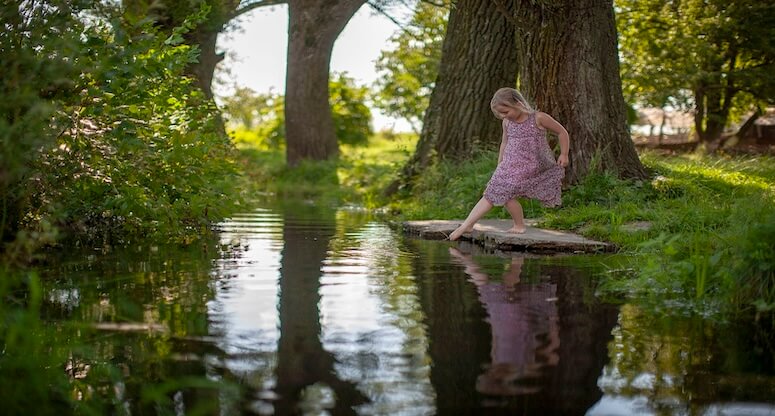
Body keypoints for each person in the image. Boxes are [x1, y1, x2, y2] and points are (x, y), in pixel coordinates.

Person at [448, 88, 569, 241]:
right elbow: (504, 142)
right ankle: (469, 224)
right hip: (509, 164)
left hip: (530, 164)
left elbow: (562, 132)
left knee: (505, 189)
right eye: (500, 114)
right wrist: (500, 164)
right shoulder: (507, 122)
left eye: (505, 112)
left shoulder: (538, 118)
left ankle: (474, 225)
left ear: (517, 104)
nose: (503, 116)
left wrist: (564, 154)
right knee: (493, 191)